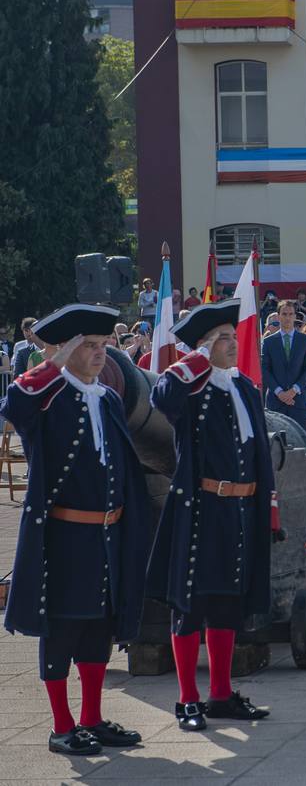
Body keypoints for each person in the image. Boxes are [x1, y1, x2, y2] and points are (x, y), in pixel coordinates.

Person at [1, 304, 151, 755]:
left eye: (103, 345)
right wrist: (55, 363)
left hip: (107, 533)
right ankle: (62, 726)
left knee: (98, 628)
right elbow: (15, 401)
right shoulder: (48, 396)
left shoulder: (105, 397)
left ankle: (91, 718)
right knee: (62, 628)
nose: (99, 354)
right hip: (64, 537)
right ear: (64, 350)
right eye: (88, 346)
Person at [147, 301, 274, 731]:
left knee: (227, 603)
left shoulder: (245, 388)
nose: (232, 345)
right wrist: (197, 356)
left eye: (233, 337)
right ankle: (187, 699)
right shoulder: (190, 386)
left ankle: (220, 694)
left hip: (240, 507)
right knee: (191, 603)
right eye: (223, 339)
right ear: (204, 347)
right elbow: (161, 396)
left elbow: (259, 456)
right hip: (202, 507)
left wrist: (268, 509)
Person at [261, 300, 306, 431]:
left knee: (301, 445)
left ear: (295, 316)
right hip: (275, 403)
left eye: (291, 314)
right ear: (278, 316)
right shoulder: (268, 342)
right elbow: (265, 369)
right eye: (284, 314)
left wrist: (293, 391)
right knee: (275, 446)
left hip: (298, 402)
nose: (287, 317)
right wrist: (279, 392)